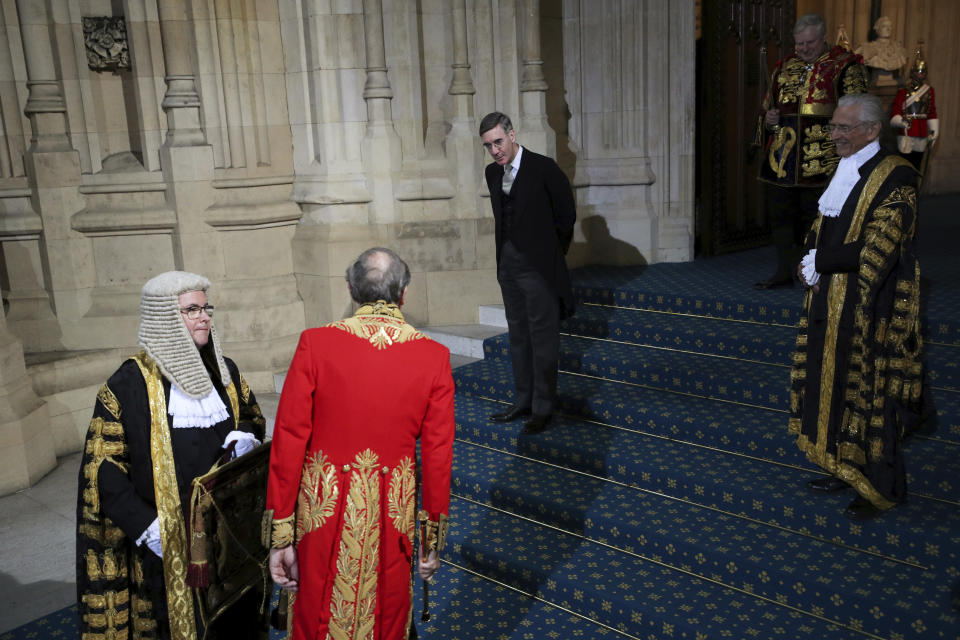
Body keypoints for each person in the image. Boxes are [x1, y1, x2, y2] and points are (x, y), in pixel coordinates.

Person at [265, 248, 455, 640]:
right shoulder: (434, 357)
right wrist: (429, 541)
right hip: (392, 511)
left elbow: (288, 442)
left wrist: (281, 536)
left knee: (318, 609)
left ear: (351, 289)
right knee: (386, 615)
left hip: (324, 509)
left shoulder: (315, 344)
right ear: (403, 293)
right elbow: (437, 457)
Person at [76, 271, 268, 639]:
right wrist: (149, 530)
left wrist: (247, 438)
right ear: (165, 318)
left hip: (228, 536)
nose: (205, 317)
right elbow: (102, 466)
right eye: (191, 310)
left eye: (205, 308)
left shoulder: (225, 371)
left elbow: (252, 417)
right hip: (166, 543)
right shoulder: (127, 384)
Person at [789, 93, 922, 521]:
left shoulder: (897, 176)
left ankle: (882, 487)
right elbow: (822, 225)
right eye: (833, 127)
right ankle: (841, 465)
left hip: (871, 302)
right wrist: (808, 261)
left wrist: (821, 262)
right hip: (830, 296)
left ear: (872, 129)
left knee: (870, 393)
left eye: (843, 128)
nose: (834, 136)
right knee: (831, 383)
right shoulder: (845, 167)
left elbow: (881, 244)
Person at [479, 111, 576, 433]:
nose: (495, 150)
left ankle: (543, 407)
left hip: (538, 268)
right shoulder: (492, 174)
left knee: (543, 338)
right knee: (518, 337)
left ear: (512, 134)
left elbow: (566, 215)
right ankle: (522, 401)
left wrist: (549, 254)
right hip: (507, 267)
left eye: (498, 141)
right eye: (489, 146)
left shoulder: (544, 168)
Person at [755, 13, 867, 290]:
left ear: (823, 38)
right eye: (799, 44)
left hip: (823, 159)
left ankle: (816, 274)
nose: (803, 49)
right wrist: (767, 120)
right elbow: (768, 108)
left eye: (809, 43)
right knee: (781, 217)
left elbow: (859, 112)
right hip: (783, 159)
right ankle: (783, 271)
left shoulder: (845, 65)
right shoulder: (783, 67)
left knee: (816, 220)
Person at [890, 46, 939, 170]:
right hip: (907, 130)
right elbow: (896, 109)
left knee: (917, 165)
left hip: (921, 132)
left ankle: (914, 188)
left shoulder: (929, 91)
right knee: (904, 164)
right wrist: (900, 121)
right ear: (912, 72)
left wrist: (933, 129)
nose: (920, 74)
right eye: (918, 71)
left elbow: (931, 112)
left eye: (923, 72)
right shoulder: (903, 91)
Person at [855, 16, 908, 85]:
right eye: (884, 26)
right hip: (876, 82)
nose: (888, 29)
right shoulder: (867, 48)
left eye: (890, 26)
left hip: (893, 83)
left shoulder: (899, 49)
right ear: (877, 29)